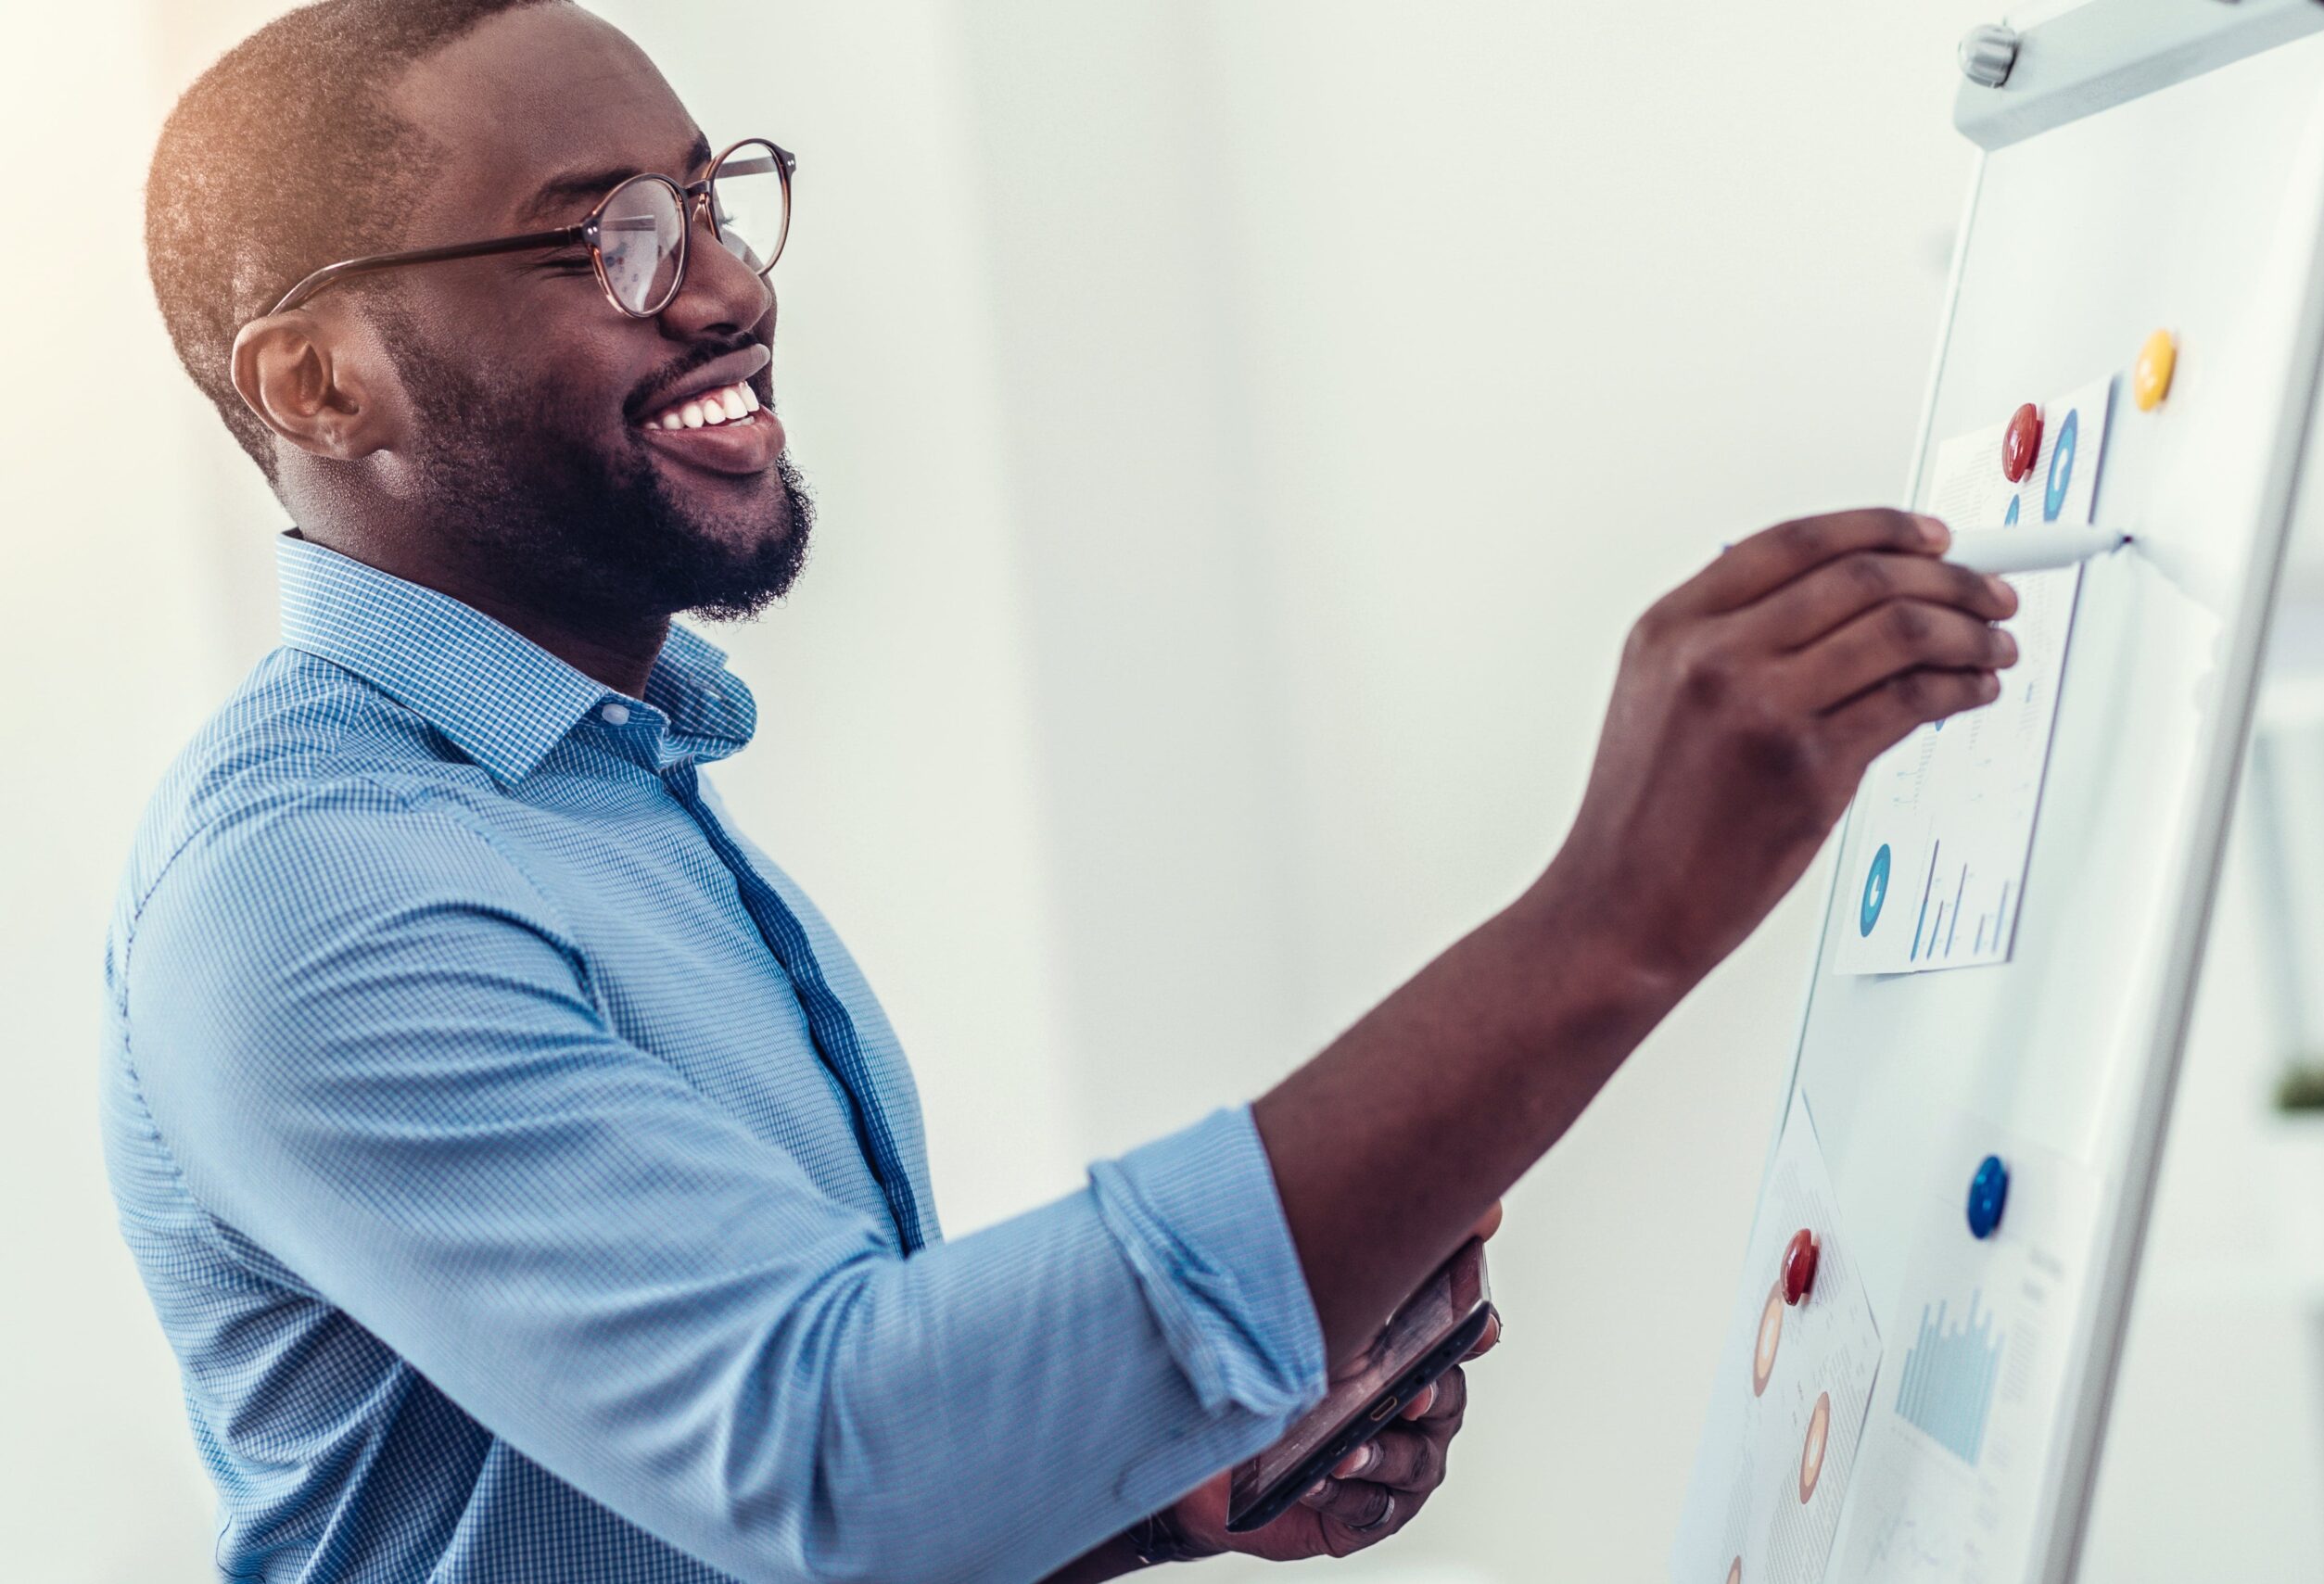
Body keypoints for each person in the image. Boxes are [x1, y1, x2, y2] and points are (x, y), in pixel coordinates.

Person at [108, 2, 2021, 1580]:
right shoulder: (320, 890)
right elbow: (832, 1459)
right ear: (320, 384)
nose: (722, 290)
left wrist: (1145, 1491)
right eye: (601, 233)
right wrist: (1608, 919)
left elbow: (749, 1509)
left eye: (708, 202)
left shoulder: (611, 796)